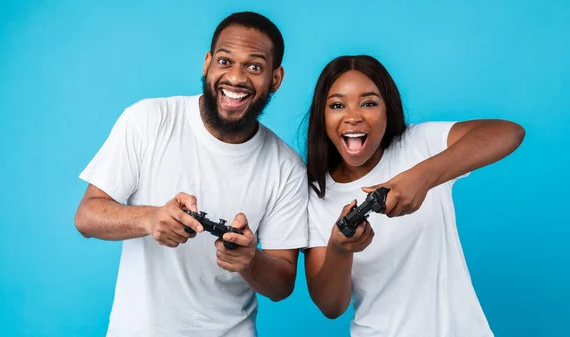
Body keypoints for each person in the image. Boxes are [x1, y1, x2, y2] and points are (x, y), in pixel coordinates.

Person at [74, 11, 309, 337]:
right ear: (207, 63)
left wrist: (249, 260)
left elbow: (283, 284)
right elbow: (86, 216)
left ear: (276, 79)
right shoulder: (147, 120)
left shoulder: (288, 168)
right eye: (225, 61)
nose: (236, 78)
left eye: (254, 67)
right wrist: (150, 219)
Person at [303, 55, 525, 337]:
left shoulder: (418, 145)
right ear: (321, 117)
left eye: (369, 103)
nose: (353, 116)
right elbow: (331, 306)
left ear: (388, 110)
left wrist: (422, 177)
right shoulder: (314, 195)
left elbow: (509, 133)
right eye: (337, 105)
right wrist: (340, 248)